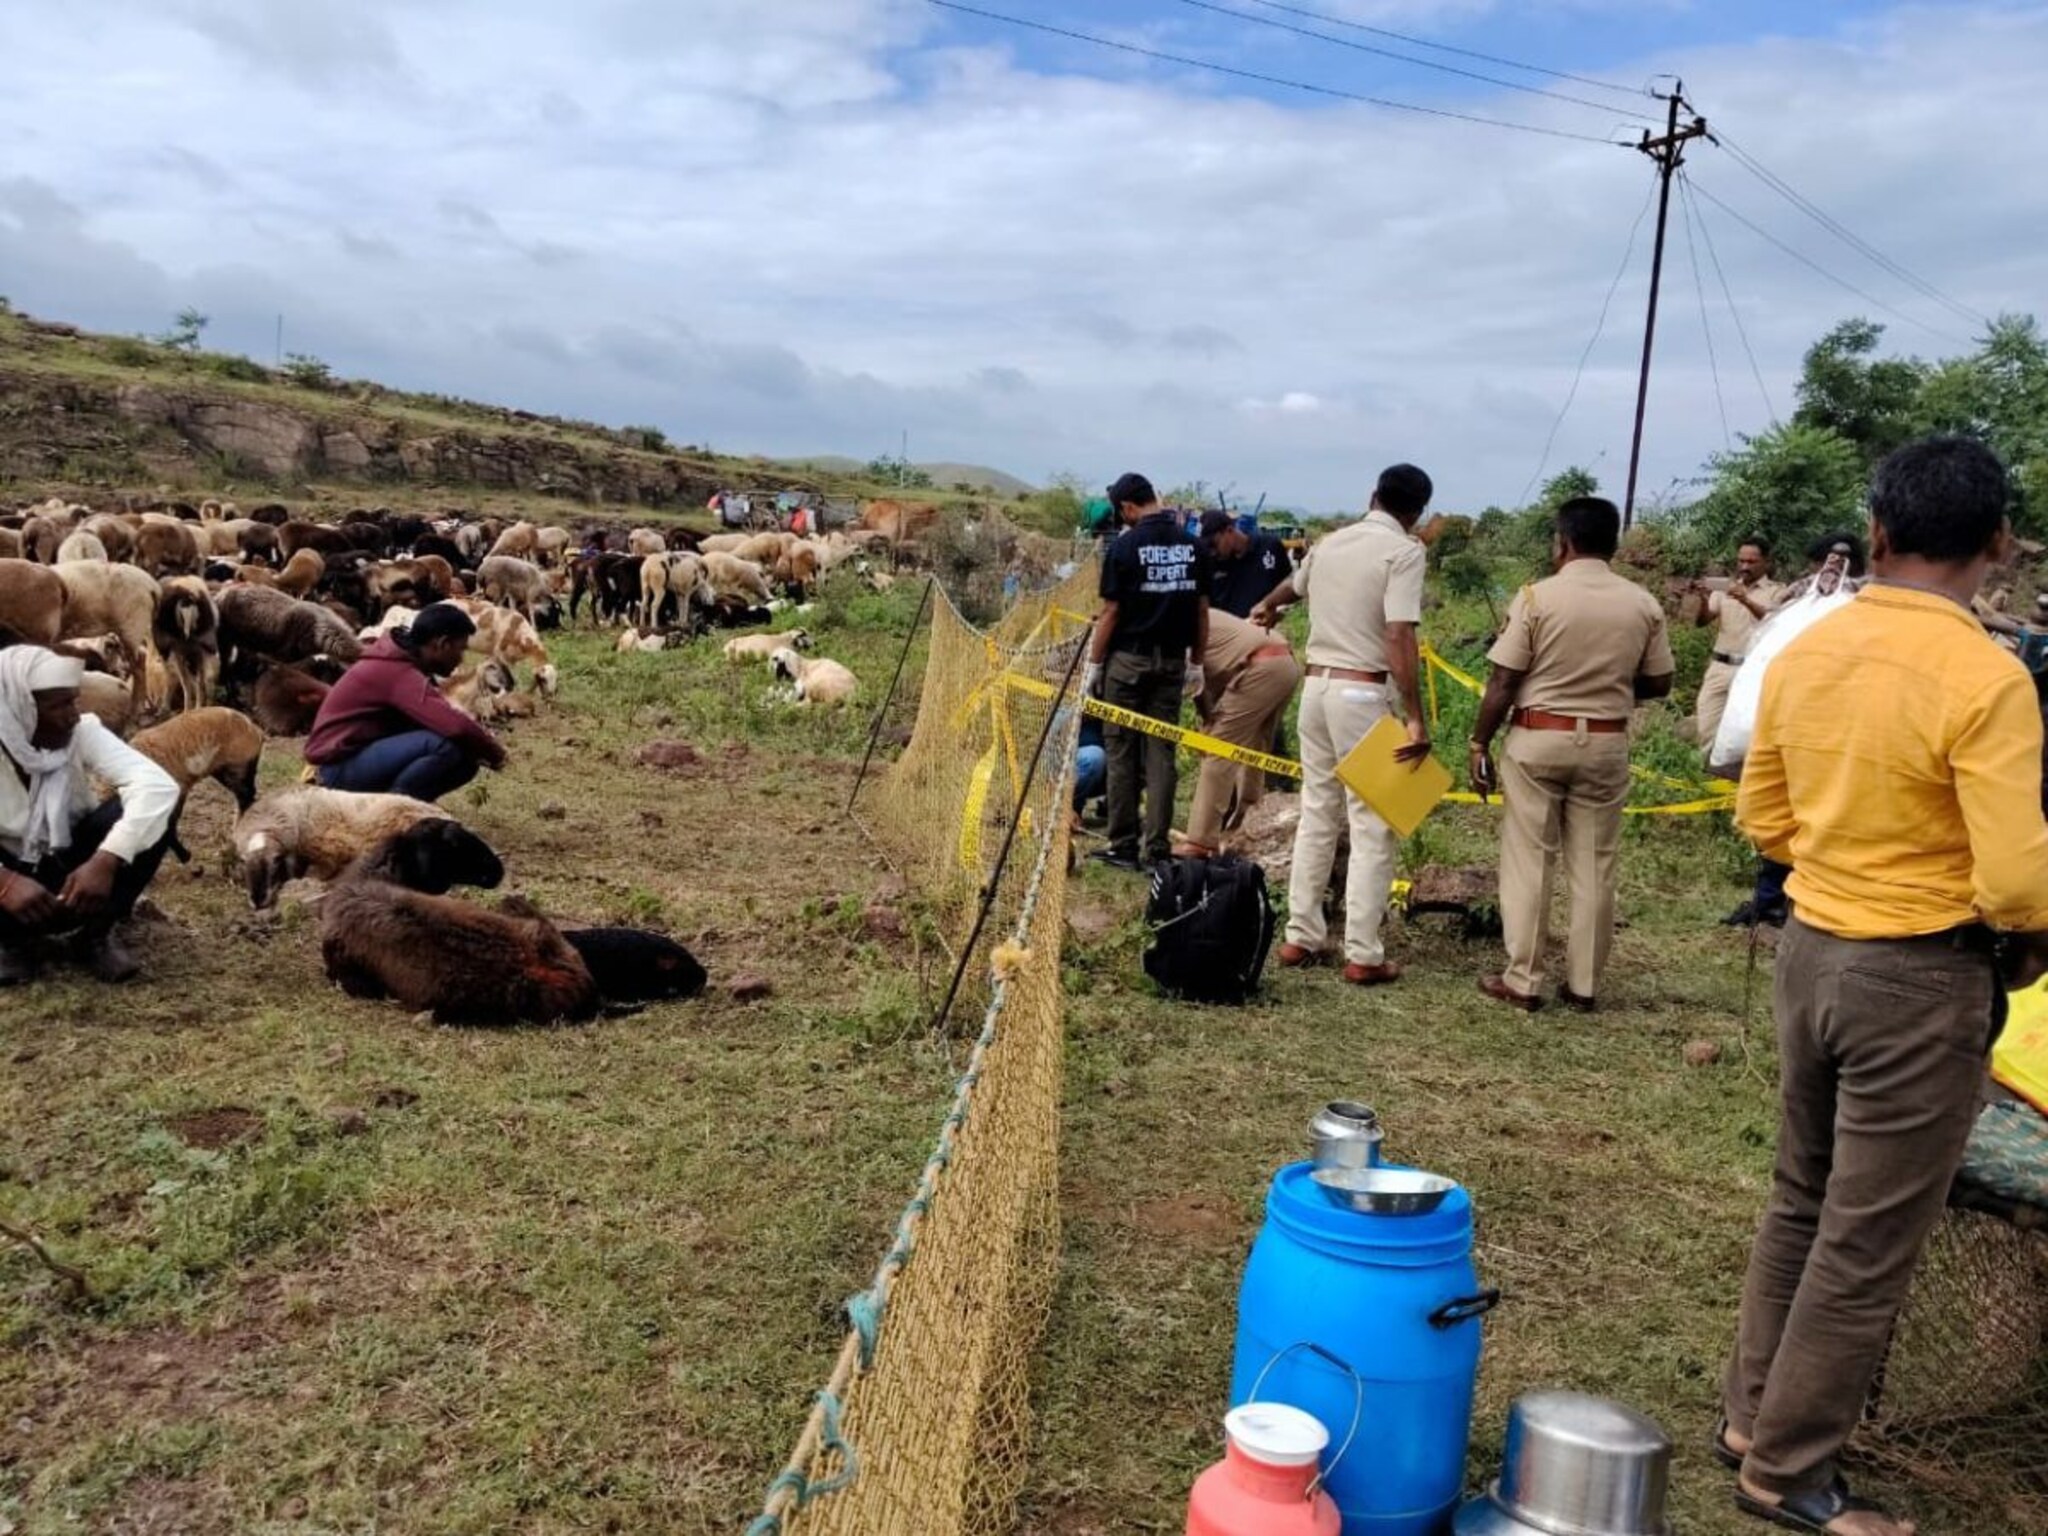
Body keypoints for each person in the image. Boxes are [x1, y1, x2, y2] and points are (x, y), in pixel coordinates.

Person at [1719, 437, 2048, 1536]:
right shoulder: (1987, 679)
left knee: (1800, 1198)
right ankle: (1788, 1475)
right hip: (1917, 978)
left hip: (1810, 950)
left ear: (1874, 532)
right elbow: (2012, 882)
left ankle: (1751, 1416)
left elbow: (1758, 817)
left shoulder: (1810, 647)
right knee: (1864, 1240)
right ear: (1996, 547)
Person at [1469, 496, 1674, 1012]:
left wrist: (1479, 741)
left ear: (1562, 542)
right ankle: (1583, 985)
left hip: (1539, 738)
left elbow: (1503, 678)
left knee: (1530, 859)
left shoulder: (1537, 597)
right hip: (1606, 742)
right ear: (1614, 544)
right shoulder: (1642, 602)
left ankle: (1524, 980)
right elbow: (1660, 680)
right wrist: (1607, 687)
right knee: (1595, 864)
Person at [1250, 463, 1434, 986]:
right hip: (1362, 691)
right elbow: (1400, 634)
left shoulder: (1330, 543)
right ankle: (1363, 953)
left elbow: (1295, 584)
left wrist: (1268, 604)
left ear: (1372, 495)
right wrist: (1415, 718)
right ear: (1416, 511)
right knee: (1373, 822)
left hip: (1316, 690)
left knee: (1318, 811)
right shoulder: (1404, 552)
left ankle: (1301, 936)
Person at [0, 647, 181, 985]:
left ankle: (93, 935)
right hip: (9, 877)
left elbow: (157, 786)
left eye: (74, 701)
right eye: (59, 705)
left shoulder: (80, 731)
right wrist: (4, 883)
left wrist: (107, 858)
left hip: (70, 869)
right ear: (19, 710)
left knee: (154, 810)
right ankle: (12, 943)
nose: (73, 714)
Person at [1721, 534, 1867, 929]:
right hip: (1790, 718)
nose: (1835, 565)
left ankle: (1804, 902)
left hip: (1833, 723)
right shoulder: (1800, 595)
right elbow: (1768, 632)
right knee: (1779, 811)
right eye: (1830, 558)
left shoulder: (1862, 599)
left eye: (1844, 559)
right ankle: (1770, 900)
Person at [1084, 473, 1209, 870]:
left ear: (1127, 508)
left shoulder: (1125, 546)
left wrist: (1094, 664)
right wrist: (1197, 663)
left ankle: (1122, 844)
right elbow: (1202, 612)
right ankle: (1156, 850)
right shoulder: (1193, 547)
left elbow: (1111, 612)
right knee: (1161, 755)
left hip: (1128, 661)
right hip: (1172, 661)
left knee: (1120, 751)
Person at [304, 603, 507, 801]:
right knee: (443, 745)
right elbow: (455, 726)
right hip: (335, 770)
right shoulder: (397, 672)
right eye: (460, 649)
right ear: (442, 644)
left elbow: (443, 719)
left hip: (353, 758)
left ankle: (407, 810)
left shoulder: (402, 663)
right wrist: (497, 754)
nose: (461, 659)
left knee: (466, 758)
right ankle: (394, 815)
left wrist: (479, 745)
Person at [1174, 611, 1302, 858]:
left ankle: (1200, 842)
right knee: (1255, 750)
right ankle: (1248, 823)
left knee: (1218, 750)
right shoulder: (1201, 615)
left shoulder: (1179, 620)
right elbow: (1200, 684)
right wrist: (1207, 719)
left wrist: (1210, 728)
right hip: (1283, 663)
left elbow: (1193, 679)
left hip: (1259, 667)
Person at [1693, 537, 1783, 750]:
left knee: (1744, 732)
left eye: (1751, 562)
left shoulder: (1777, 591)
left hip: (1753, 670)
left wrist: (1746, 600)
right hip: (1720, 666)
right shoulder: (1725, 588)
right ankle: (1702, 776)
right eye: (1741, 561)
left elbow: (1774, 621)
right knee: (1705, 726)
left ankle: (1733, 779)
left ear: (1766, 562)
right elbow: (1702, 621)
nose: (1744, 567)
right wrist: (1703, 599)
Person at [1200, 510, 1291, 619]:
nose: (1212, 552)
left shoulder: (1269, 547)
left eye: (1214, 545)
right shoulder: (1212, 564)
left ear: (1229, 531)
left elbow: (1289, 586)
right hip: (1231, 632)